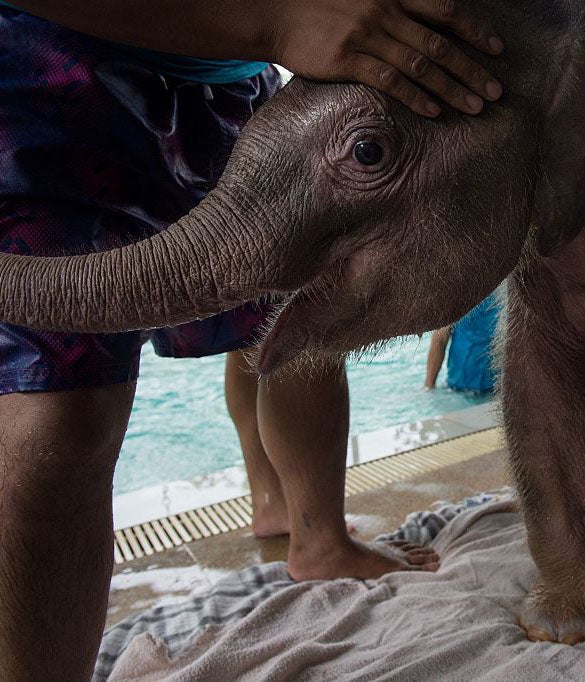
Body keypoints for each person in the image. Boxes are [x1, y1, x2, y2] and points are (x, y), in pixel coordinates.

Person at [0, 1, 504, 678]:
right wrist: (276, 20)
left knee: (295, 324)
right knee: (55, 417)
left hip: (234, 81)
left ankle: (310, 529)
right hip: (47, 64)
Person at [425, 292, 500, 394]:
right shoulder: (457, 295)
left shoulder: (506, 294)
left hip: (497, 390)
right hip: (457, 389)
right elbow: (440, 339)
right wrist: (429, 386)